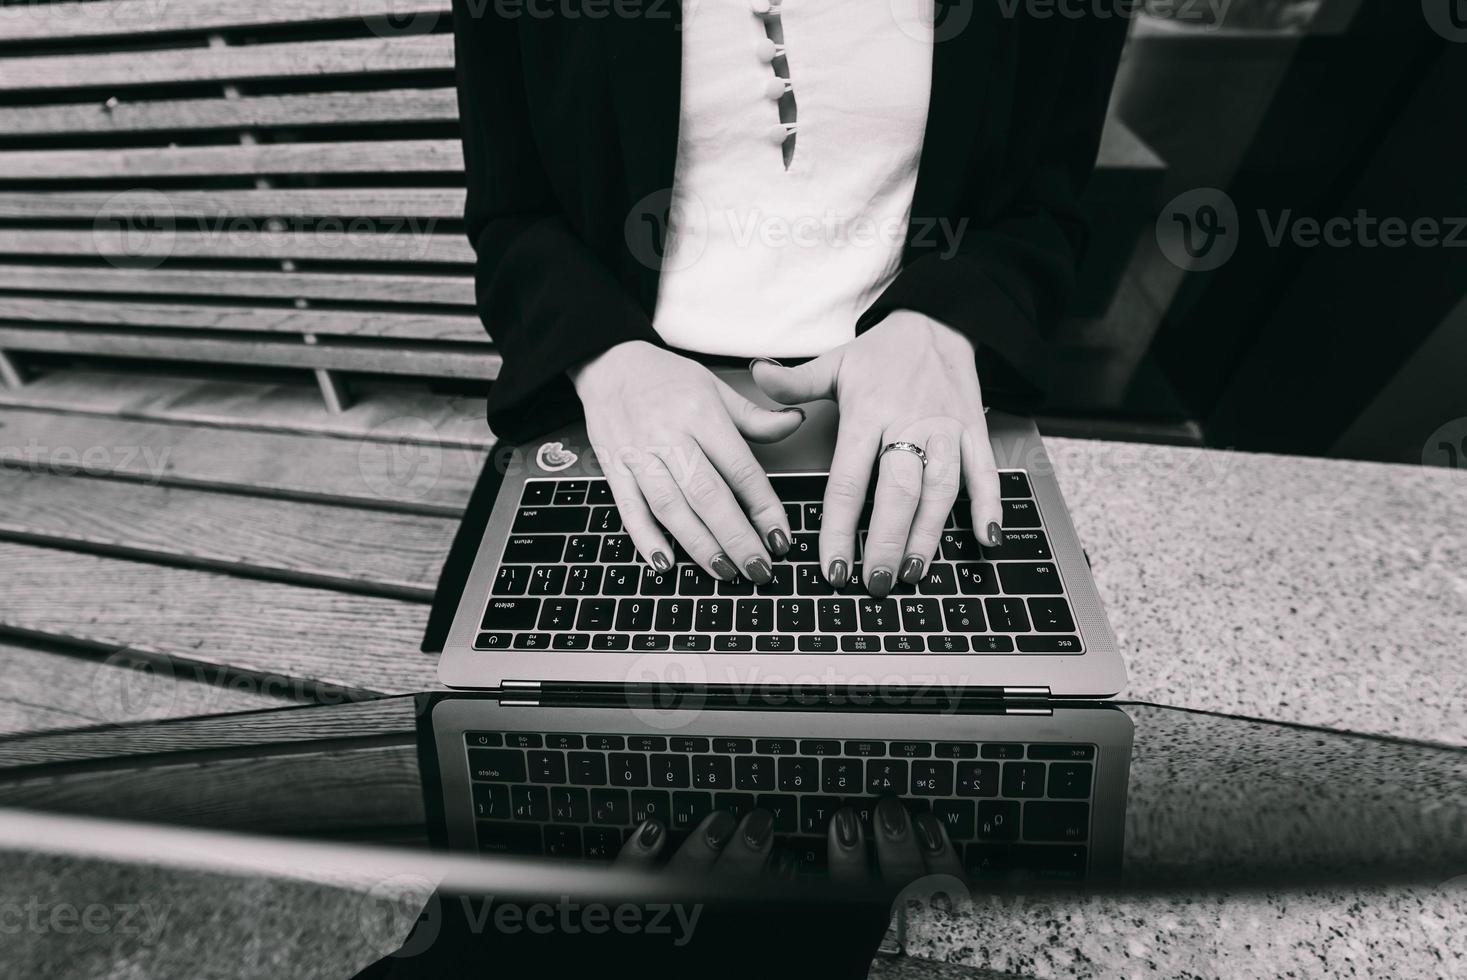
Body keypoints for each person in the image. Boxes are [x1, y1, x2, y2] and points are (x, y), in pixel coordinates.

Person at [453, 0, 1129, 597]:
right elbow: (511, 211)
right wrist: (605, 358)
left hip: (923, 379)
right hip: (624, 388)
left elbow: (1048, 207)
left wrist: (941, 325)